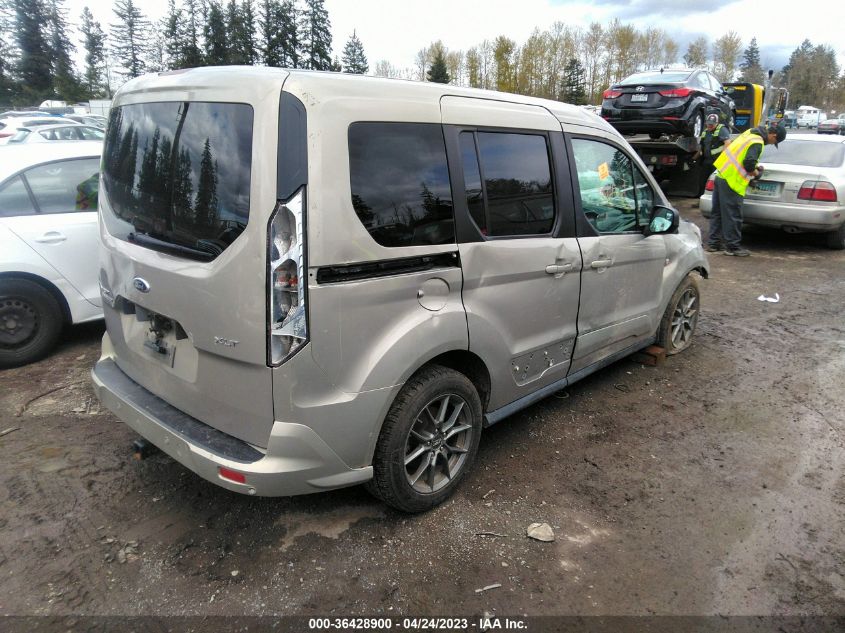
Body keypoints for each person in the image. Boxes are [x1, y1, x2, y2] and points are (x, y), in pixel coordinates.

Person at [706, 120, 787, 256]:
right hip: (732, 181)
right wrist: (757, 174)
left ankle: (713, 244)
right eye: (775, 141)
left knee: (718, 213)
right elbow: (748, 164)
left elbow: (740, 155)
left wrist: (754, 168)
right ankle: (732, 247)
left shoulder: (750, 133)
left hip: (721, 175)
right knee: (733, 215)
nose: (772, 144)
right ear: (772, 135)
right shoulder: (757, 142)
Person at [694, 113, 730, 196]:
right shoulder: (705, 132)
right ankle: (700, 197)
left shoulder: (722, 130)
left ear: (717, 123)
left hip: (717, 161)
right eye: (708, 123)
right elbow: (701, 148)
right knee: (702, 180)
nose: (709, 125)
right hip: (707, 160)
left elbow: (727, 143)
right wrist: (694, 158)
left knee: (714, 181)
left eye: (712, 124)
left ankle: (712, 198)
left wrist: (723, 158)